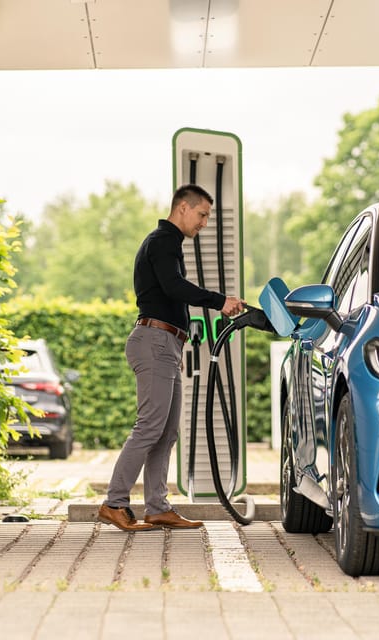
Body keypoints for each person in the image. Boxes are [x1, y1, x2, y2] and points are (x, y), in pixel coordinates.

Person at [98, 184, 245, 531]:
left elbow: (171, 293)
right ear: (182, 208)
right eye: (202, 214)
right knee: (150, 426)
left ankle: (157, 507)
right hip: (155, 341)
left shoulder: (166, 243)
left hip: (165, 344)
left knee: (165, 433)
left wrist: (176, 345)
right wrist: (219, 300)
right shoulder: (163, 242)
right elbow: (174, 288)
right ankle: (114, 503)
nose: (205, 223)